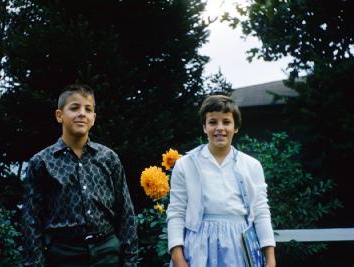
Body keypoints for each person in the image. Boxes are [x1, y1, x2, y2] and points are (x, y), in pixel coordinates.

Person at [21, 84, 138, 267]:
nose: (82, 113)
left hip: (107, 253)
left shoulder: (109, 158)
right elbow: (31, 219)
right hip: (63, 255)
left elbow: (126, 212)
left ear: (93, 118)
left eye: (88, 109)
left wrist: (130, 261)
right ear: (60, 115)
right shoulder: (41, 163)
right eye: (74, 108)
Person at [166, 95, 276, 267]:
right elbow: (176, 212)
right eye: (212, 122)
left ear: (236, 127)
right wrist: (177, 257)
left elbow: (261, 211)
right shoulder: (185, 165)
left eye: (226, 122)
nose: (220, 128)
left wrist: (270, 257)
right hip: (197, 249)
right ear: (204, 127)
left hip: (240, 248)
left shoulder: (251, 166)